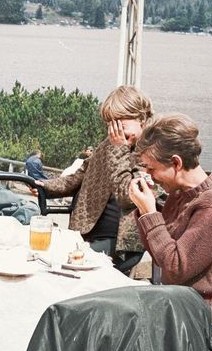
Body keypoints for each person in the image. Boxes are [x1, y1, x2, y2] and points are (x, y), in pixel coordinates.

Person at [128, 113, 212, 328]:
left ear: (176, 162)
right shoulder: (179, 195)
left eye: (152, 168)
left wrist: (150, 214)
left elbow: (175, 268)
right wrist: (144, 212)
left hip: (204, 322)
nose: (149, 175)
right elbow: (161, 257)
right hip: (180, 309)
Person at [35, 86, 153, 271]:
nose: (115, 130)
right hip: (86, 231)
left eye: (120, 123)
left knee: (64, 266)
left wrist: (118, 149)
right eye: (110, 124)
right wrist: (46, 187)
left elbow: (129, 196)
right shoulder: (109, 144)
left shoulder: (152, 151)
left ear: (142, 119)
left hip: (121, 243)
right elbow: (81, 174)